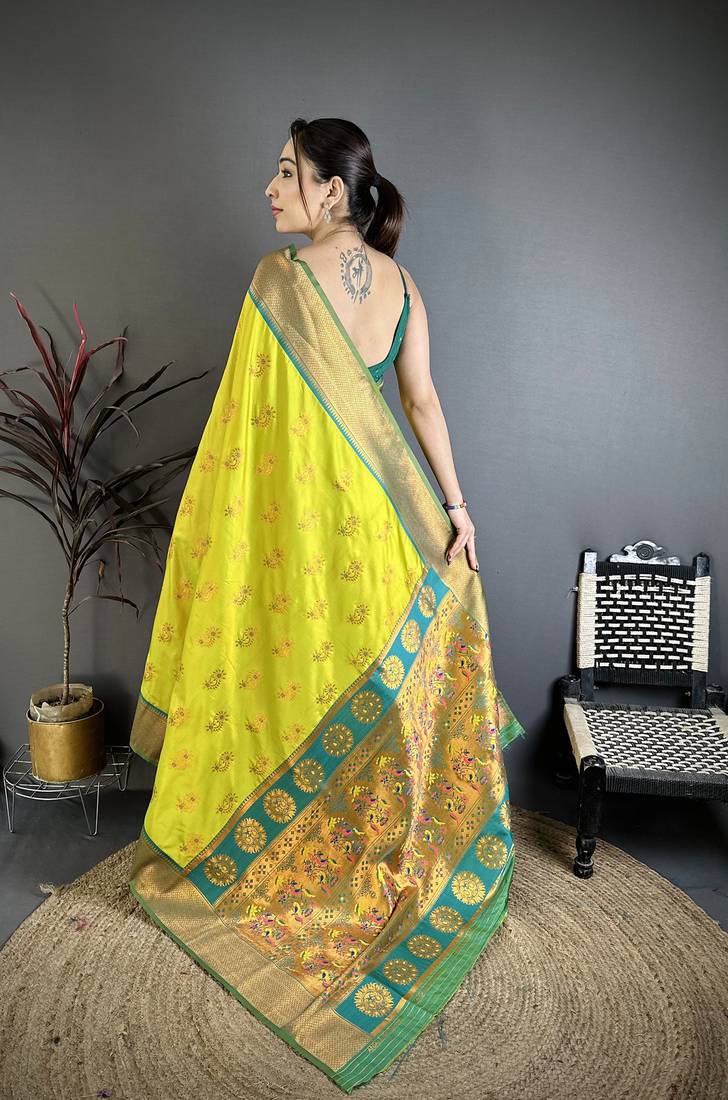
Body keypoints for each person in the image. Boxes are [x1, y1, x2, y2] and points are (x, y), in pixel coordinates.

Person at [128, 116, 526, 1093]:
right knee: (377, 710)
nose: (270, 190)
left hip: (300, 543)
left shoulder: (277, 281)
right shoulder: (405, 289)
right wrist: (458, 512)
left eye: (286, 173)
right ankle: (364, 867)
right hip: (385, 540)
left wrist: (225, 529)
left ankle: (295, 869)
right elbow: (422, 404)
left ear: (331, 192)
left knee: (294, 693)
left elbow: (241, 436)